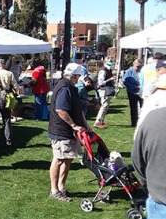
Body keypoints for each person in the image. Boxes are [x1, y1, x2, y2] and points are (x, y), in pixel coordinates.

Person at [47, 63, 89, 202]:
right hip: (61, 130)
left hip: (69, 132)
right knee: (59, 159)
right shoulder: (65, 87)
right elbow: (61, 110)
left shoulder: (70, 86)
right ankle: (54, 190)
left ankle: (61, 187)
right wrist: (74, 125)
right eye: (78, 76)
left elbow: (77, 109)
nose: (78, 79)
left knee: (68, 158)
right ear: (75, 76)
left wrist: (85, 125)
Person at [0, 59, 18, 147]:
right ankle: (8, 141)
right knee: (7, 120)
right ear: (4, 65)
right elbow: (16, 86)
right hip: (6, 98)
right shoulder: (9, 73)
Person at [94, 60, 115, 129]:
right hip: (103, 90)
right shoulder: (103, 71)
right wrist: (109, 80)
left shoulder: (108, 70)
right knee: (104, 105)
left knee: (106, 105)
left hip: (106, 90)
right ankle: (98, 121)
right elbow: (100, 83)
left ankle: (101, 121)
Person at [123, 59, 143, 127]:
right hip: (132, 92)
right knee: (133, 108)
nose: (138, 68)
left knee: (142, 107)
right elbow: (125, 82)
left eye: (140, 67)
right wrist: (134, 86)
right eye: (137, 66)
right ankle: (134, 123)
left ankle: (141, 122)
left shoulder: (141, 71)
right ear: (134, 64)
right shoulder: (129, 71)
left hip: (140, 92)